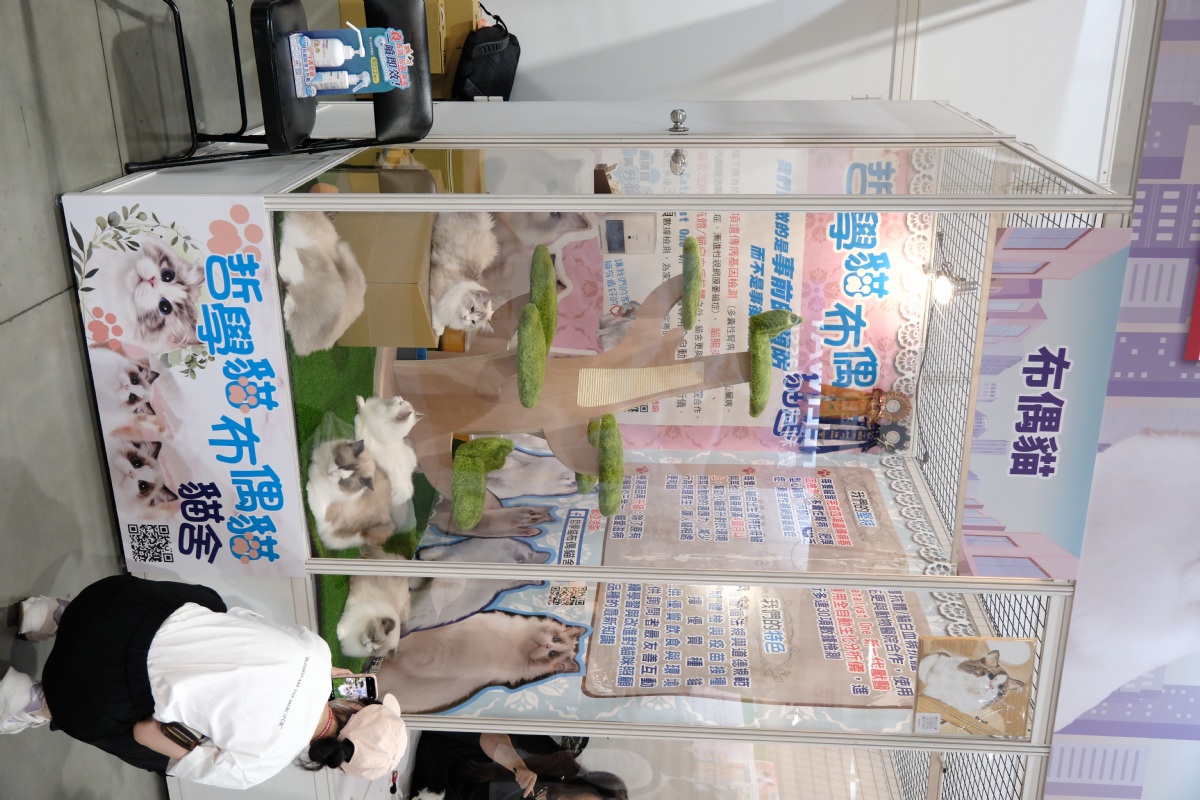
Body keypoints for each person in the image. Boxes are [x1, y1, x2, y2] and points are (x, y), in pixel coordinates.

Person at [1, 575, 407, 790]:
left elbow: (237, 621)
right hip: (85, 691)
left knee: (211, 605)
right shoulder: (258, 768)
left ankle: (56, 613)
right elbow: (144, 733)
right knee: (167, 755)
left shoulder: (316, 653)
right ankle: (33, 701)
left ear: (357, 702)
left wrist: (323, 674)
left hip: (109, 601)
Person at [410, 730, 628, 800]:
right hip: (421, 751)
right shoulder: (556, 762)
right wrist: (517, 766)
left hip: (414, 792)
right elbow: (488, 734)